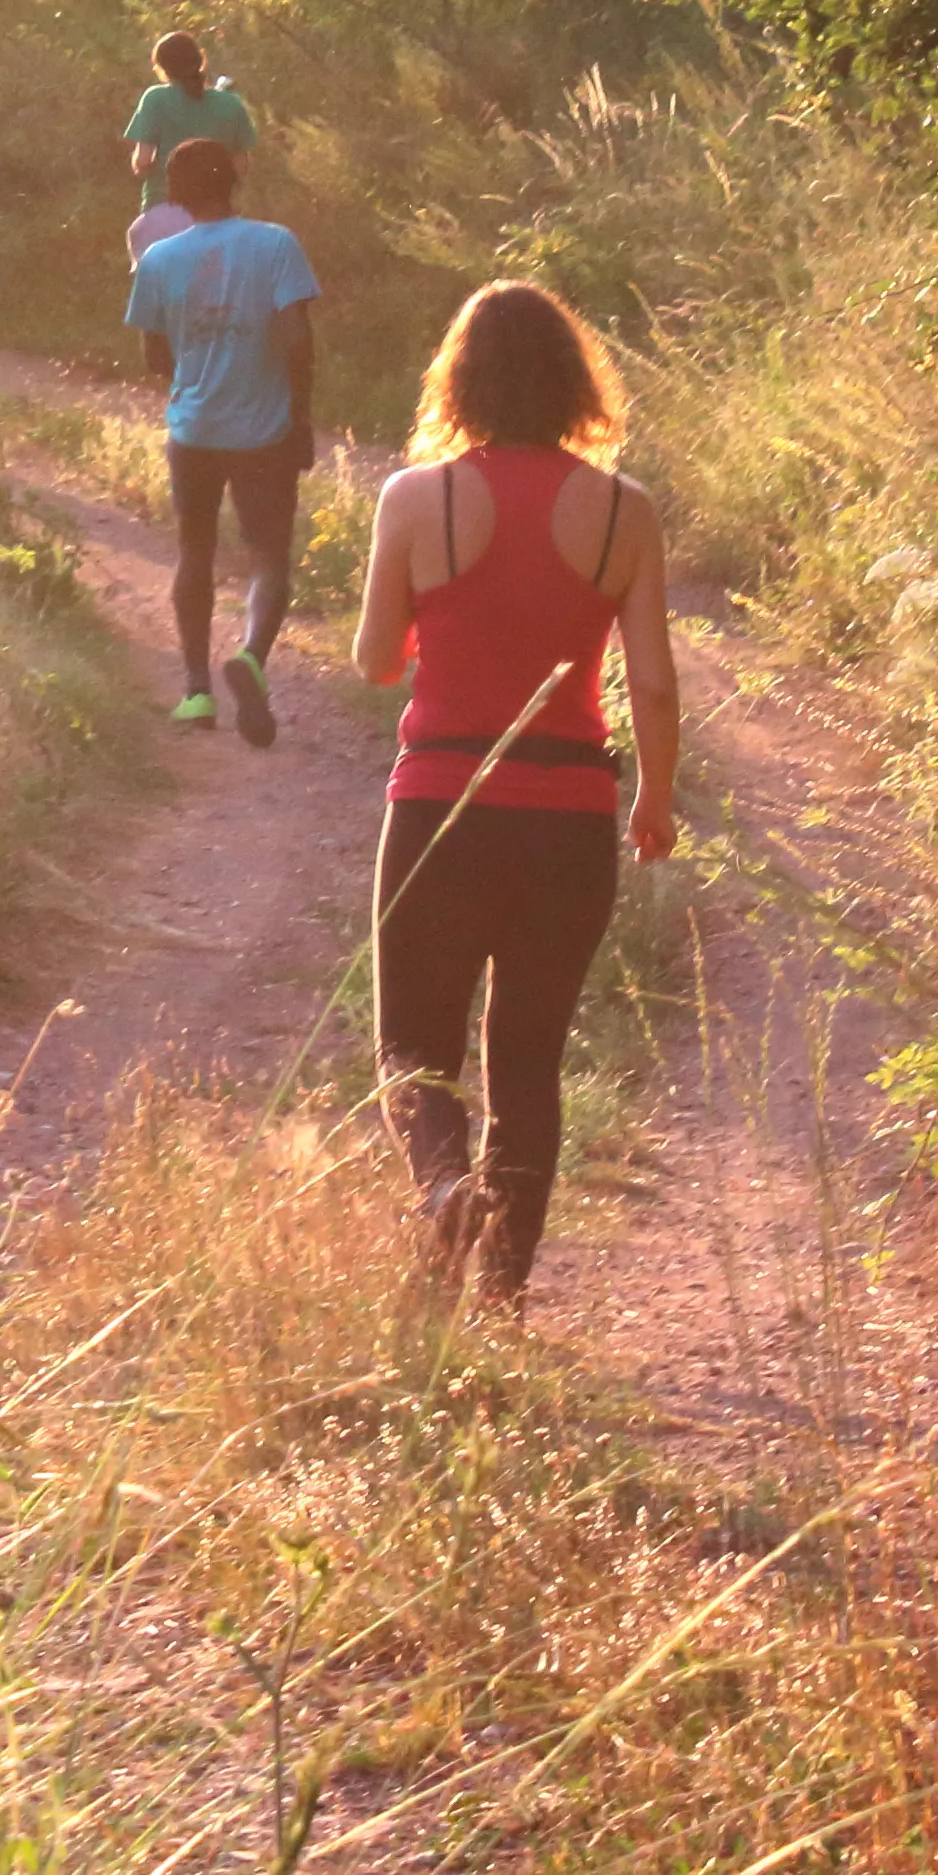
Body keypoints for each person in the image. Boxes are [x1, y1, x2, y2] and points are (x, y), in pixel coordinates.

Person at [350, 280, 678, 1311]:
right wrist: (654, 800)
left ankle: (446, 1187)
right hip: (571, 816)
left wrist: (436, 618)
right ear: (576, 382)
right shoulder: (626, 512)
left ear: (461, 379)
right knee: (527, 1064)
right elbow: (655, 680)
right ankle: (499, 1296)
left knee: (413, 1048)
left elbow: (372, 660)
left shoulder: (419, 498)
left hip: (444, 804)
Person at [123, 137, 317, 746]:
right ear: (234, 181)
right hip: (264, 431)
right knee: (269, 556)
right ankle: (252, 656)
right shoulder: (276, 244)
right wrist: (300, 415)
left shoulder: (157, 259)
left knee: (195, 551)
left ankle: (195, 692)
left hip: (195, 428)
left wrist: (198, 355)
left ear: (175, 195)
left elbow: (155, 356)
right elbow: (298, 339)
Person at [121, 29, 258, 188]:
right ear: (200, 60)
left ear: (162, 68)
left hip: (164, 204)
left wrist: (141, 168)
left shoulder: (154, 98)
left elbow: (143, 161)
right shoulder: (231, 102)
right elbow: (241, 166)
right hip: (216, 206)